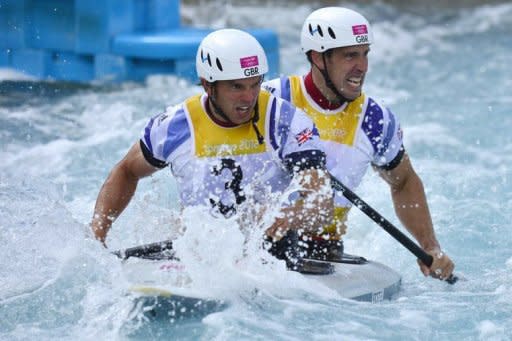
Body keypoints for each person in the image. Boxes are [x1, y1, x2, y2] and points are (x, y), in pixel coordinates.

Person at [90, 29, 334, 274]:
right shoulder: (175, 125)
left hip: (272, 255)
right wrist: (97, 237)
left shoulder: (286, 121)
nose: (249, 98)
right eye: (237, 87)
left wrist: (289, 215)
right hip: (201, 253)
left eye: (255, 84)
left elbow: (322, 202)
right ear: (208, 85)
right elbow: (126, 171)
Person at [262, 7, 455, 281]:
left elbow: (404, 182)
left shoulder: (375, 121)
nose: (362, 67)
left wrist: (430, 247)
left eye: (365, 54)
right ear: (318, 57)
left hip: (323, 253)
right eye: (350, 55)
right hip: (257, 245)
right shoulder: (272, 100)